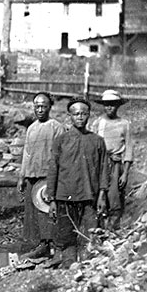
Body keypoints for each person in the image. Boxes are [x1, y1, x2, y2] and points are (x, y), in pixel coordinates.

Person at [46, 97, 109, 268]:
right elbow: (53, 169)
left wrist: (102, 194)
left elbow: (104, 169)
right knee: (66, 235)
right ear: (70, 116)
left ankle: (88, 268)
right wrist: (52, 199)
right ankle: (69, 267)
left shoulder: (97, 141)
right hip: (65, 197)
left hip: (90, 196)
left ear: (89, 115)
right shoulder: (61, 140)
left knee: (90, 234)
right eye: (76, 114)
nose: (80, 117)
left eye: (83, 113)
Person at [17, 92, 64, 258]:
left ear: (50, 107)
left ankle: (51, 245)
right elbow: (27, 154)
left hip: (47, 177)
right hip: (32, 176)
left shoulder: (56, 127)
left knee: (47, 210)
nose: (40, 110)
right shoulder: (31, 128)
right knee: (32, 212)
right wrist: (22, 177)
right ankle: (37, 244)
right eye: (37, 106)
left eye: (44, 106)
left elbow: (61, 155)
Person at [91, 90, 133, 231]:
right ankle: (98, 230)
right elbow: (93, 145)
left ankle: (113, 230)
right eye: (107, 105)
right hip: (100, 164)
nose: (109, 108)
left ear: (118, 106)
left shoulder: (124, 124)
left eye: (113, 105)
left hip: (115, 165)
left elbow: (128, 149)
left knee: (114, 197)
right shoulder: (98, 123)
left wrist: (125, 173)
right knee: (98, 195)